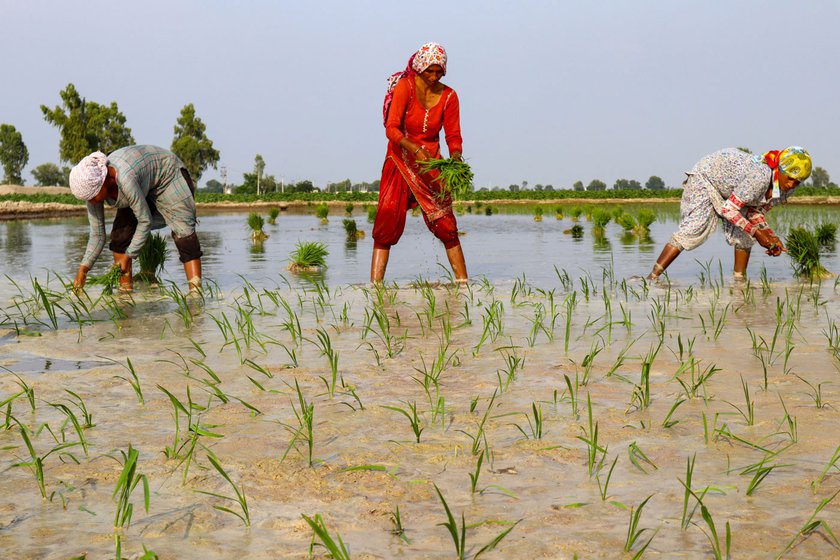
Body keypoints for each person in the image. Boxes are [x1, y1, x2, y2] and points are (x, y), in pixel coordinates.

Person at [371, 42, 468, 283]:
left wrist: (455, 158)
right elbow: (391, 129)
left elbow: (453, 136)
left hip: (431, 164)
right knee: (387, 220)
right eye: (429, 71)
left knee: (446, 224)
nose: (434, 77)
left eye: (439, 72)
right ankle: (374, 288)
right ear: (419, 69)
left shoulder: (449, 96)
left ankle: (464, 285)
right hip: (400, 159)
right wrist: (413, 148)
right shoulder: (406, 87)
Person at [647, 146, 812, 281]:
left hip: (733, 190)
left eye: (798, 182)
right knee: (694, 228)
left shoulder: (786, 189)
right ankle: (652, 277)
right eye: (789, 178)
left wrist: (770, 236)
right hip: (707, 178)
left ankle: (739, 283)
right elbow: (729, 209)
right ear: (779, 170)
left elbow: (755, 213)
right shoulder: (760, 176)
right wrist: (758, 233)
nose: (792, 184)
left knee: (745, 236)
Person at [69, 145, 203, 292]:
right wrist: (83, 271)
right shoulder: (93, 194)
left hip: (168, 174)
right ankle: (126, 294)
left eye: (93, 196)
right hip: (142, 181)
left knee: (183, 234)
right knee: (120, 237)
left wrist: (129, 256)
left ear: (104, 180)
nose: (92, 202)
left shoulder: (125, 178)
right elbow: (97, 235)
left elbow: (145, 221)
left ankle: (195, 294)